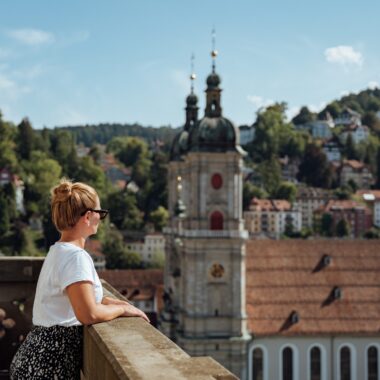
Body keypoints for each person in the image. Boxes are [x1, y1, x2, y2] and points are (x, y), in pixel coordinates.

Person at [10, 179, 149, 379]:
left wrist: (114, 302)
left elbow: (83, 298)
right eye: (101, 213)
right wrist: (123, 309)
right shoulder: (75, 257)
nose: (101, 219)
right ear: (88, 216)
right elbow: (88, 314)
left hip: (38, 359)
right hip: (48, 366)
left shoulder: (58, 251)